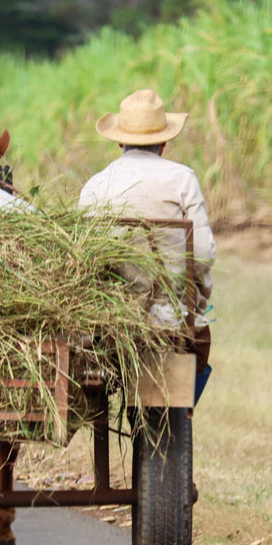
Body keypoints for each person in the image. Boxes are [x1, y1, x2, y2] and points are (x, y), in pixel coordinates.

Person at [79, 89, 216, 375]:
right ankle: (183, 408)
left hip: (110, 317)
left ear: (119, 141)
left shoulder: (94, 186)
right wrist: (196, 298)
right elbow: (202, 254)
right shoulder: (182, 179)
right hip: (171, 315)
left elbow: (81, 261)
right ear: (164, 141)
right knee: (200, 341)